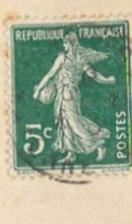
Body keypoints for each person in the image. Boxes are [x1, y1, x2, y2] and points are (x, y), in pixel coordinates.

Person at [33, 31, 115, 163]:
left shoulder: (64, 58)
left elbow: (50, 74)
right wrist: (106, 80)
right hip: (69, 93)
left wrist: (38, 91)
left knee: (73, 122)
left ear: (70, 43)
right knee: (66, 120)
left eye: (65, 42)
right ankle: (71, 154)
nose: (63, 45)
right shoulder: (80, 58)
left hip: (68, 93)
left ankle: (98, 144)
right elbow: (93, 74)